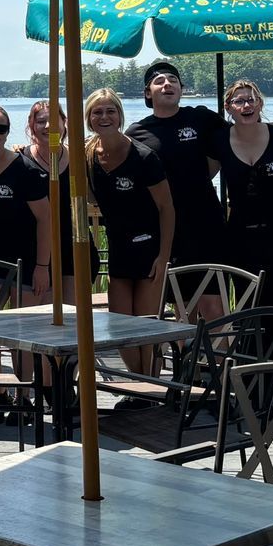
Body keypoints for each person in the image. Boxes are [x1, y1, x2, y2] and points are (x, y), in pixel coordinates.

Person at [0, 103, 52, 423]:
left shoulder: (25, 170)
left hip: (27, 262)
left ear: (8, 133)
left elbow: (46, 221)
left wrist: (42, 267)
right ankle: (0, 389)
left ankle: (23, 396)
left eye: (0, 128)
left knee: (22, 334)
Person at [126, 60, 227, 315]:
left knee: (213, 306)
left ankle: (222, 356)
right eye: (159, 81)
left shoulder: (201, 118)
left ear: (182, 88)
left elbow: (243, 135)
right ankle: (187, 356)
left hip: (206, 226)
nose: (167, 84)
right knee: (182, 309)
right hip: (165, 230)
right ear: (148, 93)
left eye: (172, 80)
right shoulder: (137, 133)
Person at [215, 80, 273, 360]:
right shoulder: (219, 140)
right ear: (228, 108)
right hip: (241, 239)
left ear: (260, 104)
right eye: (239, 101)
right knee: (248, 311)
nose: (246, 105)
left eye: (251, 99)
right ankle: (253, 380)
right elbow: (195, 179)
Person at [85, 87, 173, 373]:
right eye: (97, 111)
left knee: (146, 327)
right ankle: (139, 387)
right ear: (89, 118)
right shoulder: (86, 155)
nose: (104, 116)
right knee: (120, 328)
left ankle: (149, 387)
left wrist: (164, 257)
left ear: (120, 116)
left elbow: (166, 209)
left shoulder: (143, 157)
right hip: (118, 248)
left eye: (111, 110)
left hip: (149, 248)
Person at [16, 99, 75, 296]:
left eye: (53, 120)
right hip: (34, 251)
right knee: (38, 320)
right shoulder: (21, 159)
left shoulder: (78, 157)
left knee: (73, 315)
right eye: (41, 121)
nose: (48, 126)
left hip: (71, 246)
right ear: (31, 125)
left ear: (64, 121)